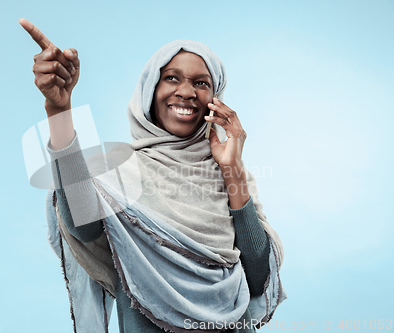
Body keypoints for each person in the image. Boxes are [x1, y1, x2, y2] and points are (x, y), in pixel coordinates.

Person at [19, 18, 286, 333]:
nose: (186, 92)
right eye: (171, 78)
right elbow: (83, 225)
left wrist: (231, 170)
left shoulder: (234, 177)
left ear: (216, 99)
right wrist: (59, 110)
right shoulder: (119, 171)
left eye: (201, 83)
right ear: (150, 90)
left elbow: (258, 277)